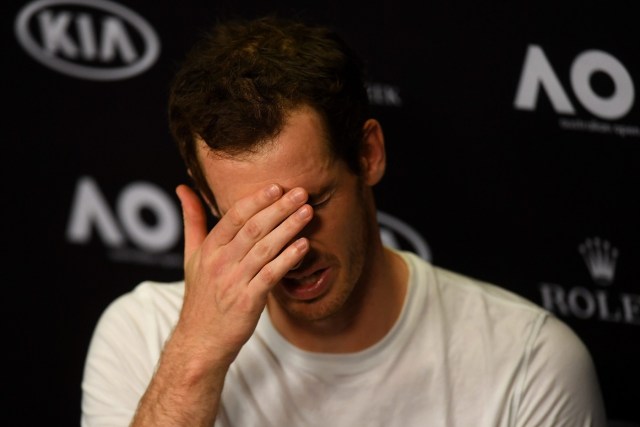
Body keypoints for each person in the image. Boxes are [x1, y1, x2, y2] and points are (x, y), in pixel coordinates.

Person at [81, 15, 607, 427]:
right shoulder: (146, 336)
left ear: (368, 155)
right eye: (257, 220)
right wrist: (196, 357)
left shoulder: (528, 362)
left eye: (310, 203)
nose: (294, 249)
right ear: (209, 201)